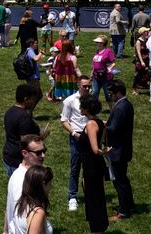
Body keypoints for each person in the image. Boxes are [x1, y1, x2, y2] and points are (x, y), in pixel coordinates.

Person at [78, 94, 110, 234]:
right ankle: (99, 227)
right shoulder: (100, 122)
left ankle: (97, 228)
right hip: (94, 166)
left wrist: (103, 152)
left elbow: (95, 149)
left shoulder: (90, 124)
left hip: (91, 167)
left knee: (93, 198)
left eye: (81, 106)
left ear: (86, 108)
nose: (80, 108)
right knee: (96, 197)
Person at [3, 134, 47, 234]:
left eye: (44, 151)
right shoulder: (23, 181)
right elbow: (21, 219)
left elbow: (9, 206)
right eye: (38, 153)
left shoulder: (19, 173)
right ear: (25, 153)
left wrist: (5, 230)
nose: (43, 155)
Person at [60, 75, 90, 212]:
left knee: (89, 167)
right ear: (78, 86)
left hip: (90, 136)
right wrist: (74, 134)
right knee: (75, 166)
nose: (87, 88)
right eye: (85, 86)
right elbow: (64, 121)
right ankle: (72, 197)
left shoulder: (91, 99)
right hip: (77, 137)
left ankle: (89, 193)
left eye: (89, 86)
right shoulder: (70, 101)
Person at [106, 81, 135, 220]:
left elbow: (114, 129)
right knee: (123, 179)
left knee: (119, 181)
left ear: (118, 93)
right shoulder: (126, 104)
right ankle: (129, 204)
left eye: (111, 93)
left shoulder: (120, 108)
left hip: (118, 150)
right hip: (124, 148)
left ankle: (123, 211)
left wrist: (102, 126)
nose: (110, 96)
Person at [3, 85, 45, 176]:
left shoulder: (9, 111)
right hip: (19, 160)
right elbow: (25, 141)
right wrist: (41, 137)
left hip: (9, 155)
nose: (33, 102)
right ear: (26, 99)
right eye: (32, 99)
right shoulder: (23, 117)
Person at [9, 165, 54, 234]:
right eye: (49, 184)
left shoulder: (20, 203)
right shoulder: (38, 213)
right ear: (43, 185)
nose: (51, 187)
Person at [91, 35, 116, 103]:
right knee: (95, 93)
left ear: (103, 43)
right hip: (96, 76)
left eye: (98, 42)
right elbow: (95, 64)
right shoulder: (97, 52)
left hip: (106, 76)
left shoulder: (108, 51)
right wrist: (91, 73)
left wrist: (108, 69)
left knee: (107, 94)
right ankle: (94, 109)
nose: (96, 43)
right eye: (96, 42)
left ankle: (112, 110)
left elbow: (113, 63)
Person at [132, 27, 150, 95]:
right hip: (140, 61)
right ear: (142, 32)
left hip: (147, 59)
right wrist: (141, 61)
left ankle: (147, 87)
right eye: (146, 31)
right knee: (138, 75)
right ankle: (134, 89)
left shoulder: (147, 39)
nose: (147, 32)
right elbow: (138, 52)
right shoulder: (138, 41)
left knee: (147, 74)